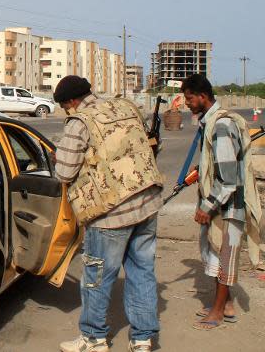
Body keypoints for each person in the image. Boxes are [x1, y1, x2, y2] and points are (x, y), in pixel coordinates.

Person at [54, 76, 163, 352]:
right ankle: (142, 340)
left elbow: (64, 172)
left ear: (71, 102)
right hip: (147, 202)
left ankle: (93, 338)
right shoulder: (125, 107)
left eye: (66, 106)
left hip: (110, 213)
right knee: (142, 272)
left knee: (97, 276)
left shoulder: (80, 122)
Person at [181, 74, 261, 331]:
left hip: (227, 207)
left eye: (190, 98)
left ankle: (217, 311)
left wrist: (207, 207)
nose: (187, 104)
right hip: (222, 205)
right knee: (216, 254)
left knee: (224, 258)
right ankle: (226, 306)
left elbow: (227, 180)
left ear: (203, 96)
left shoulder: (221, 126)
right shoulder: (212, 123)